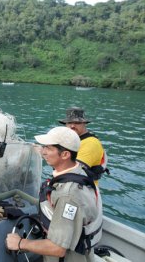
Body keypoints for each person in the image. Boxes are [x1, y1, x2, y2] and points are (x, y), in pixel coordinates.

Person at [6, 127, 103, 262]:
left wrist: (20, 243)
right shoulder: (80, 172)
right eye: (43, 147)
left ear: (65, 155)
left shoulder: (68, 195)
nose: (44, 152)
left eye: (48, 148)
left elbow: (58, 248)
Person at [59, 107, 108, 184]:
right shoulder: (74, 140)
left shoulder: (91, 143)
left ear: (84, 123)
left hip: (83, 191)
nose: (72, 126)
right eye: (69, 123)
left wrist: (50, 156)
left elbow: (74, 171)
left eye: (77, 123)